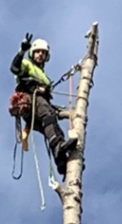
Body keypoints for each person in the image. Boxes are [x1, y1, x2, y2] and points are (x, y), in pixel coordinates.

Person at [10, 34, 77, 176]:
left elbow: (47, 104)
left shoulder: (45, 77)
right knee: (48, 117)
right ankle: (58, 146)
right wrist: (22, 51)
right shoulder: (27, 64)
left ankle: (62, 164)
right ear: (32, 53)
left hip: (39, 107)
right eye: (38, 51)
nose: (40, 54)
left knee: (54, 128)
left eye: (43, 53)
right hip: (31, 99)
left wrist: (62, 112)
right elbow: (15, 68)